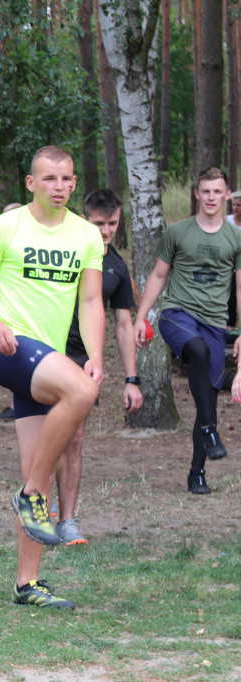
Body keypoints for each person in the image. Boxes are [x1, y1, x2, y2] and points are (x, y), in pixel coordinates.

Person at [0, 146, 105, 609]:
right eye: (49, 179)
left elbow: (91, 302)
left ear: (74, 183)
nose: (58, 187)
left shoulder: (87, 235)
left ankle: (27, 583)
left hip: (49, 362)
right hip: (10, 350)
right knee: (82, 391)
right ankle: (29, 496)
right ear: (30, 183)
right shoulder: (5, 227)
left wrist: (97, 353)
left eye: (66, 179)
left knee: (35, 469)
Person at [44, 189, 144, 545]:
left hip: (84, 361)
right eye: (99, 223)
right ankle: (41, 506)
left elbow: (123, 324)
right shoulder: (59, 249)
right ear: (84, 218)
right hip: (44, 352)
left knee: (75, 438)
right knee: (44, 435)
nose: (105, 230)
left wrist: (131, 379)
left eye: (113, 223)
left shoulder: (115, 265)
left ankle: (67, 520)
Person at [134, 167, 241, 494]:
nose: (211, 198)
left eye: (217, 192)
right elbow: (158, 276)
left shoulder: (236, 237)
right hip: (177, 314)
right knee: (198, 351)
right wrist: (142, 317)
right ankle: (210, 428)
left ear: (226, 196)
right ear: (196, 193)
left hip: (215, 322)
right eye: (205, 191)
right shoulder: (178, 232)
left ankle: (197, 473)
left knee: (208, 396)